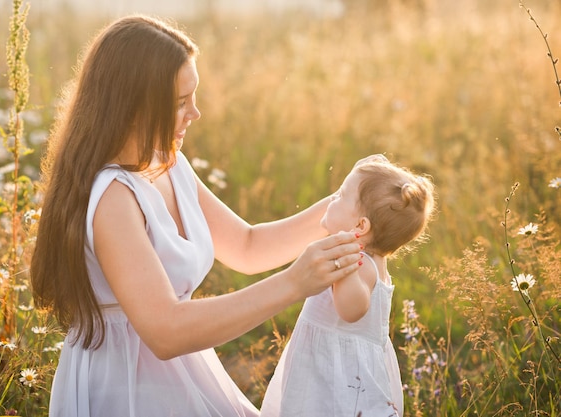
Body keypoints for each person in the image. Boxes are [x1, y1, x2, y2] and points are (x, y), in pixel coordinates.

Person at [29, 14, 363, 417]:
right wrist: (294, 283)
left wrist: (349, 200)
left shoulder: (167, 163)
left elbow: (246, 245)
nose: (196, 113)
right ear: (134, 107)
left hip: (183, 373)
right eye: (180, 103)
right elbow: (165, 331)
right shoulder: (112, 197)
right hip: (125, 390)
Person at [260, 155, 436, 417]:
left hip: (336, 380)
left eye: (340, 195)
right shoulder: (375, 257)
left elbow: (352, 310)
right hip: (337, 368)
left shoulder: (359, 264)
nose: (331, 199)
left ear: (360, 227)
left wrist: (343, 267)